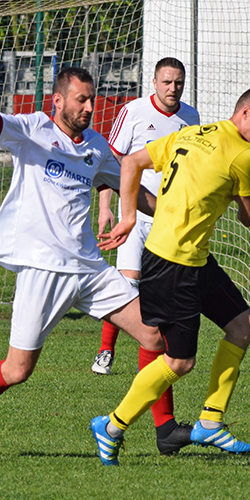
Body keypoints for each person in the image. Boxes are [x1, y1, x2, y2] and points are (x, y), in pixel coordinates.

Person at [0, 65, 191, 457]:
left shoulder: (95, 145)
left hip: (90, 269)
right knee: (17, 371)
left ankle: (164, 429)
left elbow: (127, 185)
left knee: (156, 335)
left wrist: (169, 213)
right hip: (43, 270)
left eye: (92, 99)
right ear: (57, 100)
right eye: (81, 99)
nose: (90, 107)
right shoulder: (32, 130)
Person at [91, 84, 250, 466]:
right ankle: (111, 426)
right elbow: (248, 220)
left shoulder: (192, 132)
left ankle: (211, 421)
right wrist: (236, 196)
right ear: (246, 112)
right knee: (179, 362)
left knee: (243, 325)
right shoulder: (243, 156)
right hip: (172, 265)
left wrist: (130, 216)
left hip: (192, 259)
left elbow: (130, 163)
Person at [92, 57, 200, 376]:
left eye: (178, 82)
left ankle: (150, 361)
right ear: (154, 82)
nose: (172, 88)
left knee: (157, 291)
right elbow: (111, 164)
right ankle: (106, 351)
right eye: (166, 82)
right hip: (134, 213)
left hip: (169, 218)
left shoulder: (190, 118)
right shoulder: (134, 112)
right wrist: (105, 207)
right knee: (127, 284)